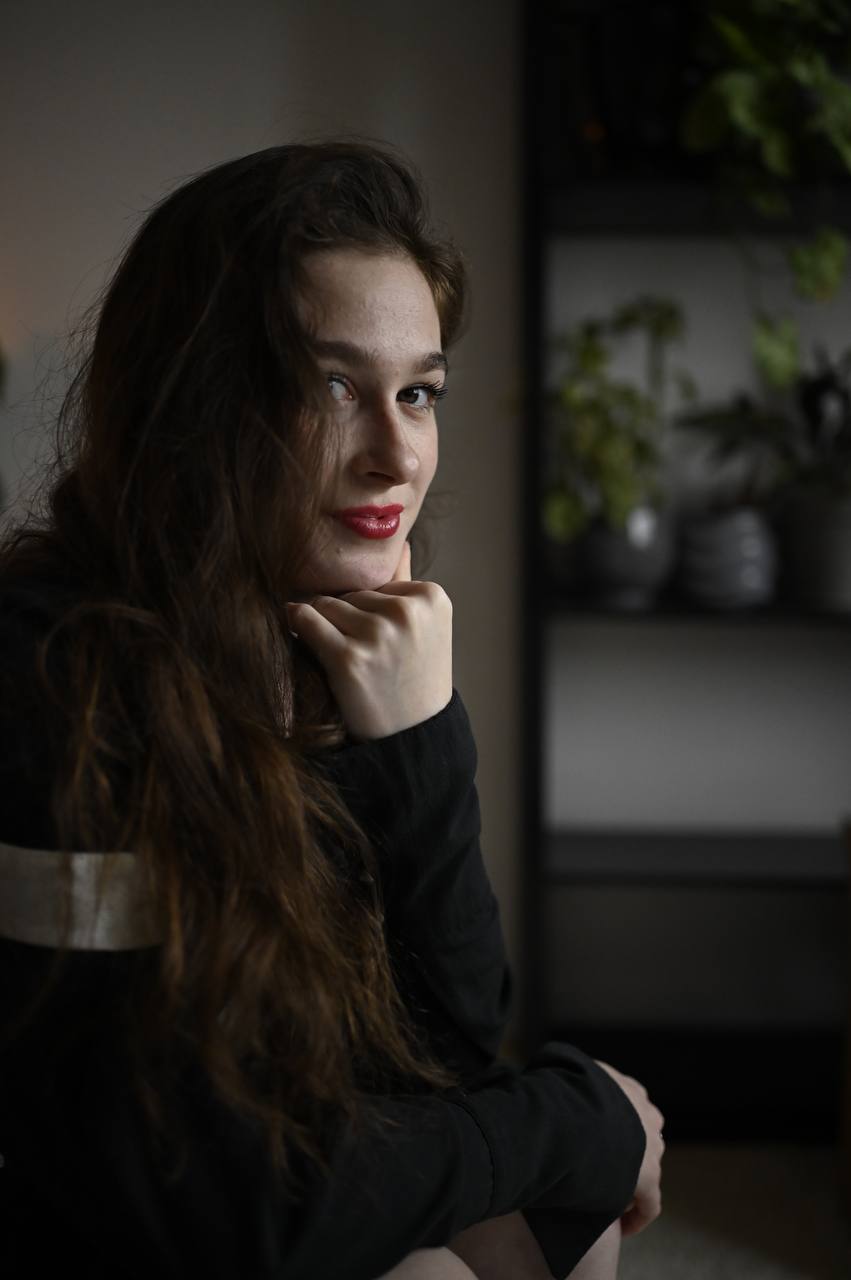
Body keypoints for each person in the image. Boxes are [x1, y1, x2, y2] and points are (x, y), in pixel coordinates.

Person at [0, 139, 664, 1280]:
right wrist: (576, 1117)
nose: (395, 454)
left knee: (567, 1227)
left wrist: (417, 740)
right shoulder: (57, 676)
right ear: (195, 406)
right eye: (332, 387)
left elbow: (447, 1051)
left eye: (418, 392)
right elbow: (217, 1202)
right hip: (104, 1219)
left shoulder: (330, 637)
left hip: (252, 1190)